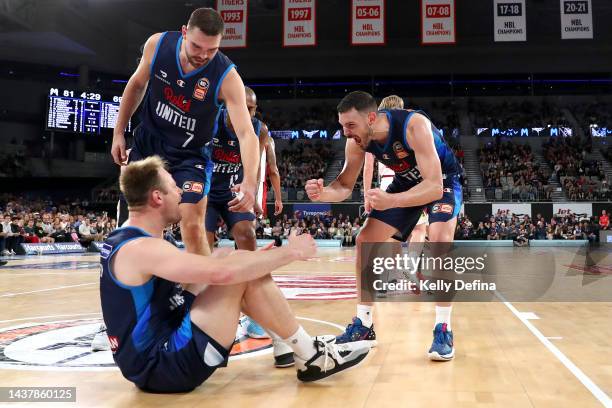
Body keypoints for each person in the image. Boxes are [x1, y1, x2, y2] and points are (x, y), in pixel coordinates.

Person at [99, 156, 369, 393]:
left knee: (237, 261)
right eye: (173, 186)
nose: (180, 192)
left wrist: (248, 260)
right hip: (163, 366)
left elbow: (190, 282)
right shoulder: (142, 249)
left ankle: (305, 352)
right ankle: (309, 354)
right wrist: (291, 253)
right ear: (157, 197)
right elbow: (223, 275)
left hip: (153, 354)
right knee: (238, 268)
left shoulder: (130, 239)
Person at [305, 91, 462, 361]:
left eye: (351, 126)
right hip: (406, 182)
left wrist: (392, 200)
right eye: (342, 126)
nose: (346, 133)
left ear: (372, 118)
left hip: (442, 181)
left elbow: (434, 186)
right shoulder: (357, 141)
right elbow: (343, 186)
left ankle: (443, 328)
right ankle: (364, 325)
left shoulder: (414, 125)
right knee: (365, 241)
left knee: (438, 240)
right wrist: (323, 194)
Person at [111, 7, 259, 257]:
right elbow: (137, 85)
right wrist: (118, 132)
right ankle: (140, 281)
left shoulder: (227, 76)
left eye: (212, 50)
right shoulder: (158, 44)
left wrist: (250, 183)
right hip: (149, 142)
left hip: (190, 154)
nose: (203, 55)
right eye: (197, 47)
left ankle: (199, 290)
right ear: (184, 33)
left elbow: (246, 133)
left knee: (191, 223)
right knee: (140, 220)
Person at [204, 86, 292, 367]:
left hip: (235, 193)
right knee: (202, 252)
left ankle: (256, 313)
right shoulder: (210, 120)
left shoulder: (259, 129)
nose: (251, 113)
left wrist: (252, 192)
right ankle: (206, 313)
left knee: (247, 238)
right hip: (206, 194)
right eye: (247, 107)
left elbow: (258, 166)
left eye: (254, 109)